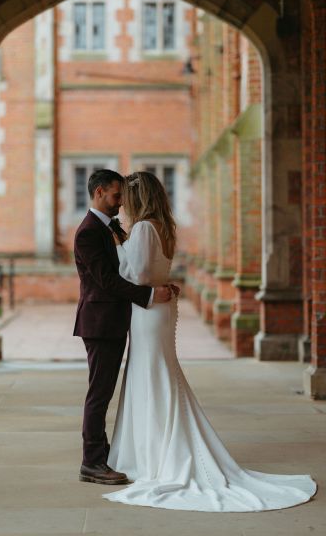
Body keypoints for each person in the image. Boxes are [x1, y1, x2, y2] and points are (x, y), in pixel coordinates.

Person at [102, 171, 317, 512]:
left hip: (148, 310)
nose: (123, 206)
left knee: (152, 375)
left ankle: (154, 455)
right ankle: (156, 447)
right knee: (158, 374)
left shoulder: (143, 228)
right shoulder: (163, 227)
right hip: (158, 309)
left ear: (138, 199)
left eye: (127, 200)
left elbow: (139, 275)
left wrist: (119, 251)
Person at [73, 169, 176, 486]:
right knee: (99, 395)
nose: (121, 203)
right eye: (117, 196)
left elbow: (136, 265)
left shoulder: (112, 227)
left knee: (104, 392)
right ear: (100, 192)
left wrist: (158, 284)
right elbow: (107, 281)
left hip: (118, 320)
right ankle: (92, 463)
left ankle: (106, 455)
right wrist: (149, 294)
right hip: (100, 323)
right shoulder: (89, 232)